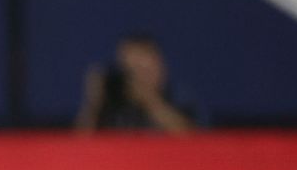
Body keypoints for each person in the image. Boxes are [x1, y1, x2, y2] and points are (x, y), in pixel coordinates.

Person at [75, 32, 205, 133]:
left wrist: (150, 102)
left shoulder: (178, 97)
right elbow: (79, 147)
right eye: (129, 70)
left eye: (142, 70)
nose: (136, 79)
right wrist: (94, 103)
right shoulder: (112, 103)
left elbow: (194, 141)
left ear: (159, 67)